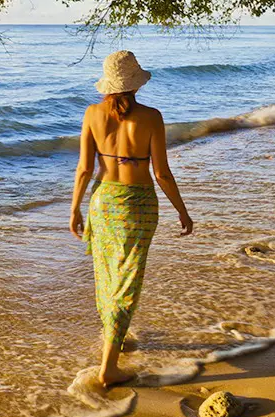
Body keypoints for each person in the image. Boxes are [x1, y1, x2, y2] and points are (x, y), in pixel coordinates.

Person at [69, 50, 193, 387]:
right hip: (137, 203)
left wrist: (75, 208)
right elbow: (162, 173)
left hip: (103, 201)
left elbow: (84, 169)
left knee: (107, 273)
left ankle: (116, 339)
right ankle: (109, 365)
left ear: (107, 85)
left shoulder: (92, 113)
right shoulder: (151, 116)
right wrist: (182, 210)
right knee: (128, 278)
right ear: (136, 84)